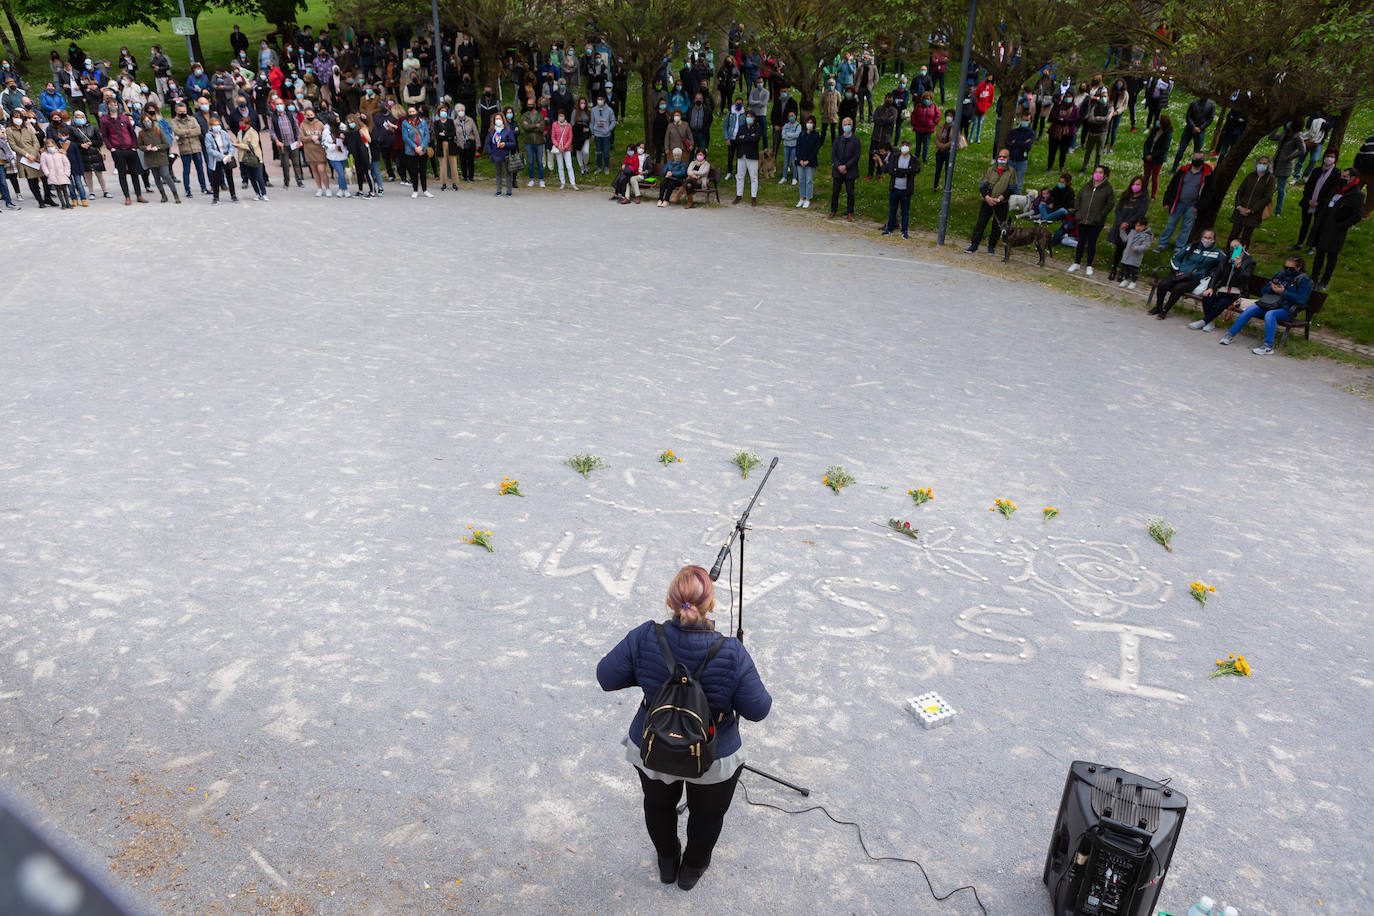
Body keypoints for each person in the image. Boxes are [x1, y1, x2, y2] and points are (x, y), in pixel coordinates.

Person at [596, 566, 771, 892]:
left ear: (670, 601)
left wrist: (649, 675)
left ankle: (667, 861)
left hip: (654, 745)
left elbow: (606, 677)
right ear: (711, 605)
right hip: (714, 752)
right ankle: (691, 870)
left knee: (658, 805)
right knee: (707, 816)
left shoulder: (646, 636)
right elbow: (758, 709)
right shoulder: (731, 652)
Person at [1219, 255, 1312, 354]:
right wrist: (1272, 288)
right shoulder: (1280, 274)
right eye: (1285, 267)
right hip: (1270, 304)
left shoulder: (1304, 280)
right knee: (1250, 309)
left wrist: (1284, 293)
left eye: (1291, 268)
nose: (1287, 270)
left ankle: (1268, 346)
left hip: (1287, 310)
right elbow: (1263, 291)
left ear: (1299, 267)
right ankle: (1230, 335)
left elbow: (1302, 300)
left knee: (1270, 314)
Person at [1148, 229, 1224, 317]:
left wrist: (1207, 273)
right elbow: (1176, 258)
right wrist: (1177, 270)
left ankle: (1165, 310)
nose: (1207, 240)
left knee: (1178, 288)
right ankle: (1158, 307)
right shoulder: (1191, 247)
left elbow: (1223, 266)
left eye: (1210, 238)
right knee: (1162, 284)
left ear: (1214, 240)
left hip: (1194, 279)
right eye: (1205, 237)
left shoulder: (1217, 254)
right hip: (1178, 274)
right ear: (1201, 238)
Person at [1310, 170, 1365, 291]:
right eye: (1341, 176)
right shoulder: (1336, 188)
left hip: (1336, 230)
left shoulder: (1357, 195)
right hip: (1324, 226)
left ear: (1352, 178)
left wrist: (1342, 225)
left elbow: (1357, 215)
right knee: (1319, 254)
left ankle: (1324, 282)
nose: (1342, 178)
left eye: (1345, 177)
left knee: (1331, 256)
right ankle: (1313, 278)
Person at [1189, 240, 1255, 331]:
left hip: (1238, 292)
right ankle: (1210, 322)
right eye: (1232, 247)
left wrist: (1239, 266)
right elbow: (1216, 275)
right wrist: (1210, 288)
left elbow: (1246, 279)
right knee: (1207, 295)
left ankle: (1204, 321)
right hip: (1222, 289)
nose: (1233, 249)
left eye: (1236, 247)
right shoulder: (1226, 258)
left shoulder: (1250, 261)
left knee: (1222, 302)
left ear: (1244, 247)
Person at [1157, 154, 1214, 253]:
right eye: (1195, 158)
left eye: (1200, 159)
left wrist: (1199, 206)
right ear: (1192, 159)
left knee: (1186, 228)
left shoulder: (1208, 174)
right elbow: (1172, 185)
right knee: (1170, 224)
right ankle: (1162, 244)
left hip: (1193, 206)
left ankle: (1179, 247)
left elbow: (1209, 193)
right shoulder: (1183, 170)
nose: (1197, 160)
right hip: (1178, 203)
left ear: (1203, 160)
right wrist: (1166, 201)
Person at [1066, 166, 1114, 276]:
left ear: (1105, 175)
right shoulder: (1087, 186)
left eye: (1100, 172)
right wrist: (1078, 213)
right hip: (1083, 219)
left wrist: (1100, 216)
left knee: (1092, 243)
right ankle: (1076, 262)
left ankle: (1089, 265)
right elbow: (1078, 198)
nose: (1097, 174)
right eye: (1096, 172)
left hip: (1096, 221)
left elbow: (1110, 204)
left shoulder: (1107, 188)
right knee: (1080, 242)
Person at [966, 148, 1014, 254]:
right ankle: (974, 245)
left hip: (1001, 203)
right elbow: (982, 186)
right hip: (988, 201)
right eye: (1000, 156)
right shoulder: (990, 170)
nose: (1002, 158)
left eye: (1004, 157)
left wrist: (1001, 198)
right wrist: (987, 197)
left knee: (998, 226)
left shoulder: (1011, 171)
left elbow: (1012, 188)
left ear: (1008, 158)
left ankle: (992, 246)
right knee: (980, 223)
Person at [97, 104, 145, 205]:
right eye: (111, 105)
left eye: (115, 104)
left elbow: (132, 133)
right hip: (117, 150)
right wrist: (111, 148)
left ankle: (139, 195)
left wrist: (134, 147)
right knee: (122, 174)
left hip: (129, 149)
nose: (113, 106)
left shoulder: (124, 118)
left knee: (134, 173)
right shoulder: (104, 120)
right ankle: (127, 197)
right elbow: (105, 136)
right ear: (108, 107)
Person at [1293, 152, 1340, 251]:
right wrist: (1309, 199)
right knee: (1305, 223)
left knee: (1317, 225)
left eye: (1332, 157)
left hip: (1321, 205)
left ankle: (1312, 246)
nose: (1329, 159)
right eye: (1327, 156)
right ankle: (1299, 243)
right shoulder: (1317, 171)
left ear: (1335, 159)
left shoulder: (1336, 173)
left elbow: (1332, 191)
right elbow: (1308, 186)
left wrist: (1320, 202)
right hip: (1309, 202)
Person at [1227, 156, 1276, 248]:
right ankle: (1228, 255)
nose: (1262, 165)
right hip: (1240, 211)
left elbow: (1267, 197)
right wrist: (1239, 207)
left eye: (1265, 163)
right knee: (1234, 234)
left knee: (1245, 237)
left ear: (1269, 165)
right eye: (1260, 162)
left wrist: (1252, 210)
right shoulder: (1251, 176)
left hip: (1254, 214)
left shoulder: (1270, 179)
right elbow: (1239, 192)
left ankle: (1237, 258)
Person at [1107, 175, 1149, 282]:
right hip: (1120, 226)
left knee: (1127, 251)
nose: (1135, 186)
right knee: (1118, 250)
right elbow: (1118, 210)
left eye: (1138, 184)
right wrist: (1121, 222)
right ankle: (1113, 270)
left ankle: (1123, 272)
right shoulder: (1126, 195)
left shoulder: (1143, 199)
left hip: (1131, 228)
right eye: (1134, 184)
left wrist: (1128, 223)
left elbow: (1140, 213)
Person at [138, 105, 178, 203]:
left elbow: (166, 144)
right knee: (156, 177)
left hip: (161, 157)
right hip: (150, 158)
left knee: (166, 175)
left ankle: (175, 194)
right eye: (145, 121)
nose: (147, 123)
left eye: (148, 121)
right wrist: (146, 148)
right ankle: (163, 195)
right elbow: (139, 145)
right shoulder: (141, 133)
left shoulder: (158, 131)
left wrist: (158, 147)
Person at [880, 141, 918, 238]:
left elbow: (913, 171)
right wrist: (904, 173)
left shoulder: (913, 159)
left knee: (905, 212)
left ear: (910, 147)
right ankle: (889, 229)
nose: (905, 147)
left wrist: (899, 170)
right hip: (895, 188)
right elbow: (892, 171)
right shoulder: (895, 157)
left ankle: (904, 231)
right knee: (892, 210)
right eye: (903, 145)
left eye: (907, 145)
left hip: (906, 190)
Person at [1172, 92, 1215, 171]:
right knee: (1181, 149)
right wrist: (1193, 127)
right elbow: (1188, 116)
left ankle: (1194, 170)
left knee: (1197, 153)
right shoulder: (1193, 104)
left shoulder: (1211, 106)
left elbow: (1210, 119)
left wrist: (1200, 128)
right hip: (1189, 129)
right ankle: (1174, 168)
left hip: (1200, 131)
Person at [828, 116, 860, 220]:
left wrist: (846, 166)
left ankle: (850, 212)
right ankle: (833, 210)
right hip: (838, 170)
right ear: (842, 127)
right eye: (845, 125)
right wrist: (839, 166)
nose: (847, 126)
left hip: (850, 170)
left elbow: (856, 156)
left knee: (850, 192)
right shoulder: (837, 140)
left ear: (852, 126)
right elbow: (833, 155)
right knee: (835, 191)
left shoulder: (856, 140)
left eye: (848, 124)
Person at [1271, 121, 1306, 218]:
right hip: (1275, 163)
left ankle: (1278, 211)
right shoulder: (1285, 134)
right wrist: (1276, 126)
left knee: (1281, 189)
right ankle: (1265, 206)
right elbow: (1271, 137)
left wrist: (1289, 157)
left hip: (1285, 166)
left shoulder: (1298, 137)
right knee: (1270, 186)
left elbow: (1303, 150)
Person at [203, 116, 238, 203]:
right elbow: (210, 150)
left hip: (227, 159)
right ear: (210, 126)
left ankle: (233, 195)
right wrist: (222, 156)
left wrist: (229, 155)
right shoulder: (208, 136)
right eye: (215, 125)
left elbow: (230, 145)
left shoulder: (224, 133)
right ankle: (216, 197)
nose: (217, 126)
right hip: (217, 160)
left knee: (230, 177)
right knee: (216, 179)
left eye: (218, 125)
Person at [732, 108, 763, 206]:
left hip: (752, 156)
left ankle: (754, 197)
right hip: (741, 155)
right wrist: (748, 137)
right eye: (747, 117)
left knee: (753, 177)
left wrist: (744, 137)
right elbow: (737, 139)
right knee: (740, 176)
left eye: (750, 117)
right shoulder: (742, 127)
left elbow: (756, 138)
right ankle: (738, 195)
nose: (748, 118)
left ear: (754, 118)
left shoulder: (757, 128)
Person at [299, 104, 329, 195]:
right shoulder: (302, 124)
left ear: (314, 114)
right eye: (308, 115)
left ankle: (327, 188)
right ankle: (319, 188)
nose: (310, 117)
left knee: (321, 170)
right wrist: (311, 137)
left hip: (319, 150)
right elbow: (302, 138)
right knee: (314, 170)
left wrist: (318, 137)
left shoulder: (319, 123)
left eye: (311, 115)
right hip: (309, 151)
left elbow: (325, 135)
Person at [1140, 113, 1171, 199]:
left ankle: (1153, 195)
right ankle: (1143, 192)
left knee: (1154, 177)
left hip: (1158, 159)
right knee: (1146, 176)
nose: (1157, 121)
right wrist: (1146, 154)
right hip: (1148, 156)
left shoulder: (1167, 134)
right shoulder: (1154, 130)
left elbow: (1164, 149)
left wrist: (1152, 156)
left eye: (1159, 120)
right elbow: (1147, 142)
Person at [235, 116, 267, 200]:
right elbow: (238, 142)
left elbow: (252, 146)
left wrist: (239, 145)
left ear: (248, 124)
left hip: (255, 158)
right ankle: (257, 193)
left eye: (243, 124)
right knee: (251, 177)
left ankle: (264, 193)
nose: (241, 125)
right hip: (244, 159)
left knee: (259, 177)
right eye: (240, 123)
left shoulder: (253, 133)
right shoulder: (239, 132)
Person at [931, 109, 963, 190]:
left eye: (951, 116)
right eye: (947, 115)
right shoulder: (941, 126)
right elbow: (936, 139)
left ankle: (947, 186)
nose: (948, 117)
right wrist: (940, 145)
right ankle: (935, 186)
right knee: (938, 169)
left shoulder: (955, 128)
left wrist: (945, 146)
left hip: (949, 152)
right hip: (939, 151)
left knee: (948, 170)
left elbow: (956, 140)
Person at [1046, 95, 1079, 172]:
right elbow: (1054, 116)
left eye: (1070, 97)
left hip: (1068, 133)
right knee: (1052, 150)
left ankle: (1061, 166)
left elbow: (1075, 119)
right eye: (1067, 97)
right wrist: (1060, 120)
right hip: (1055, 131)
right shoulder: (1058, 106)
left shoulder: (1075, 108)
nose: (1068, 98)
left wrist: (1064, 120)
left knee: (1063, 151)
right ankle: (1049, 166)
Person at [38, 132, 72, 208]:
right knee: (58, 190)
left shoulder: (60, 153)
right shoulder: (44, 155)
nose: (50, 147)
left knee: (65, 190)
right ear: (46, 147)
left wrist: (67, 172)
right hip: (52, 175)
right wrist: (48, 173)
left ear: (55, 146)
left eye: (52, 146)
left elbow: (66, 163)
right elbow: (43, 165)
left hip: (62, 174)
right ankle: (63, 204)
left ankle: (68, 203)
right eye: (48, 146)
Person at [486, 111, 516, 196]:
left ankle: (509, 191)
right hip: (495, 155)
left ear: (503, 120)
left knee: (507, 174)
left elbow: (513, 143)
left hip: (505, 155)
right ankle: (499, 190)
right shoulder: (492, 131)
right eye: (496, 119)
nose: (498, 120)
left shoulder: (508, 131)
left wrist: (505, 144)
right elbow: (488, 143)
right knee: (498, 173)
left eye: (499, 118)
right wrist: (490, 153)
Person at [1116, 218, 1152, 289]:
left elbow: (1146, 246)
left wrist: (1136, 248)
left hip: (1135, 256)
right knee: (1125, 268)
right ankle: (1125, 279)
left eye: (1140, 226)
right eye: (1137, 226)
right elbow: (1125, 239)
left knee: (1134, 270)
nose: (1138, 228)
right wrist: (1122, 231)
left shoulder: (1146, 236)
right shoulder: (1132, 232)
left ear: (1144, 226)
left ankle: (1133, 282)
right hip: (1127, 254)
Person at [868, 94, 898, 179]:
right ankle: (870, 173)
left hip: (886, 138)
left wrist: (881, 119)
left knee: (882, 156)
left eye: (890, 98)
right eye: (887, 98)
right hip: (876, 136)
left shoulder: (894, 110)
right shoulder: (879, 108)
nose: (888, 100)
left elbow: (891, 121)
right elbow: (875, 119)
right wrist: (885, 120)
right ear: (885, 99)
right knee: (872, 155)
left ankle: (879, 174)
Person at [794, 114, 820, 208]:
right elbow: (798, 147)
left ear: (814, 124)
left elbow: (815, 150)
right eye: (808, 122)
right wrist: (800, 160)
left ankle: (808, 198)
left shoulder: (816, 135)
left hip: (810, 162)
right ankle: (801, 197)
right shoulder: (802, 134)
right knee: (801, 180)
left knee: (809, 180)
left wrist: (808, 161)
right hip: (800, 161)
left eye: (811, 123)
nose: (809, 124)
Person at [909, 91, 939, 164]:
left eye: (928, 99)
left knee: (926, 144)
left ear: (931, 99)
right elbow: (913, 115)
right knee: (918, 144)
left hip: (928, 129)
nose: (926, 100)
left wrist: (934, 123)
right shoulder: (918, 106)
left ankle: (924, 158)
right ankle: (916, 157)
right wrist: (914, 123)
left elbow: (938, 115)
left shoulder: (934, 107)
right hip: (918, 128)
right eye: (925, 98)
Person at [589, 95, 616, 173]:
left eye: (601, 99)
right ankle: (599, 167)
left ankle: (606, 167)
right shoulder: (594, 110)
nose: (599, 100)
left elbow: (613, 121)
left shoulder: (609, 110)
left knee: (606, 151)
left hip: (606, 135)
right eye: (598, 99)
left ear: (604, 100)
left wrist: (608, 130)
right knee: (598, 152)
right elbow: (592, 122)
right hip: (597, 134)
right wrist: (592, 133)